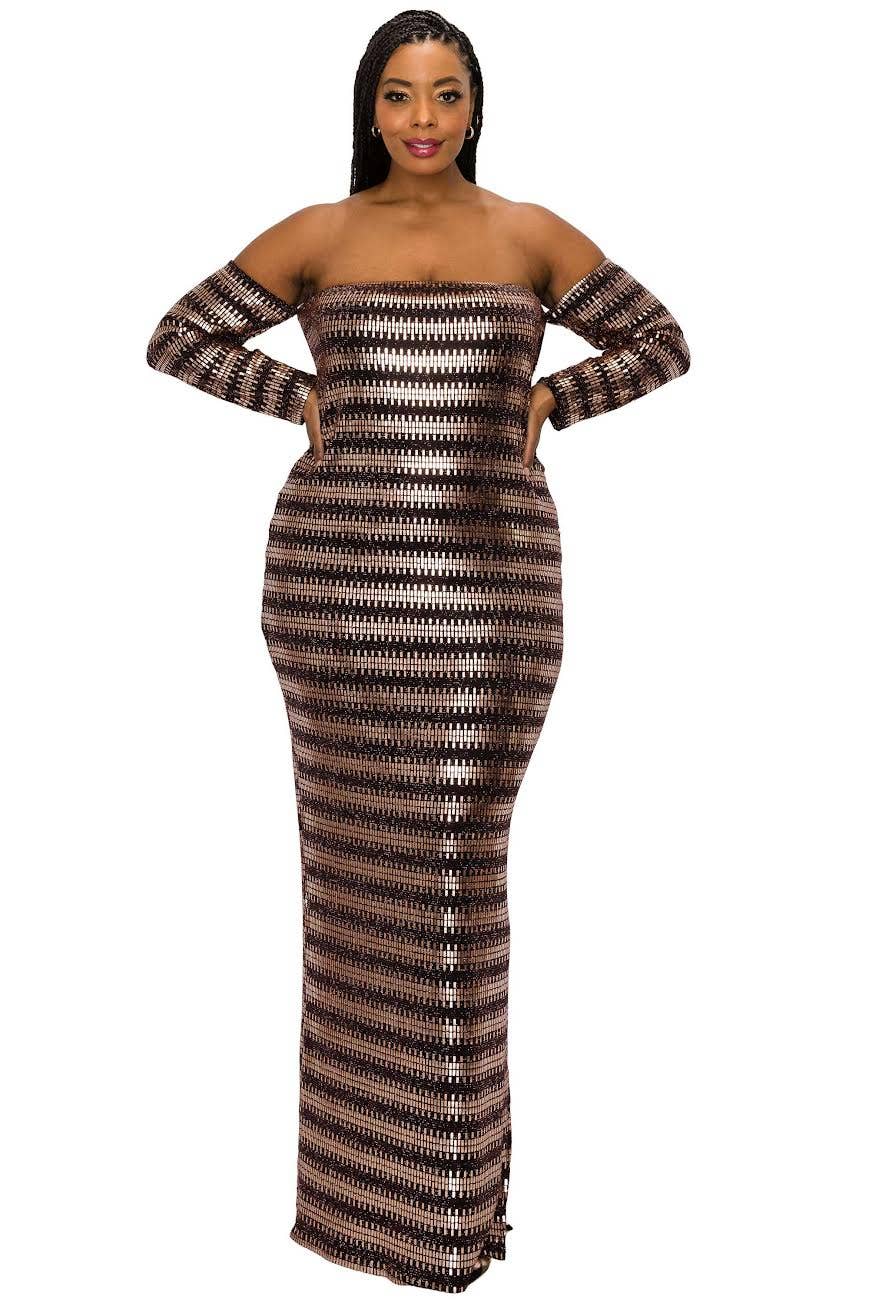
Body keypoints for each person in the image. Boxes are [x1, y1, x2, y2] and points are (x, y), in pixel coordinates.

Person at [146, 10, 690, 1292]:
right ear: (370, 108)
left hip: (493, 588)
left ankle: (449, 1209)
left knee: (453, 871)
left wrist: (554, 396)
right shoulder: (318, 235)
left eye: (445, 94)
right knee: (351, 891)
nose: (423, 119)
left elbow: (660, 341)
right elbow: (179, 337)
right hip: (333, 591)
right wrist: (301, 398)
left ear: (475, 104)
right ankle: (366, 1208)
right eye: (399, 95)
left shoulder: (529, 232)